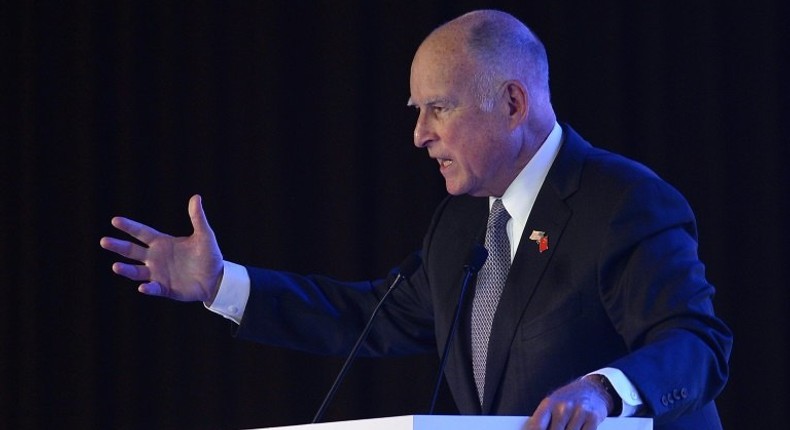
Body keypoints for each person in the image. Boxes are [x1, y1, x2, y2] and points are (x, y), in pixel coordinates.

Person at [100, 9, 732, 430]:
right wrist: (221, 285)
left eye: (438, 108)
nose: (419, 135)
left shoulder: (622, 201)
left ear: (513, 102)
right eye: (416, 110)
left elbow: (696, 344)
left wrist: (600, 391)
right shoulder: (459, 228)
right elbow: (365, 319)